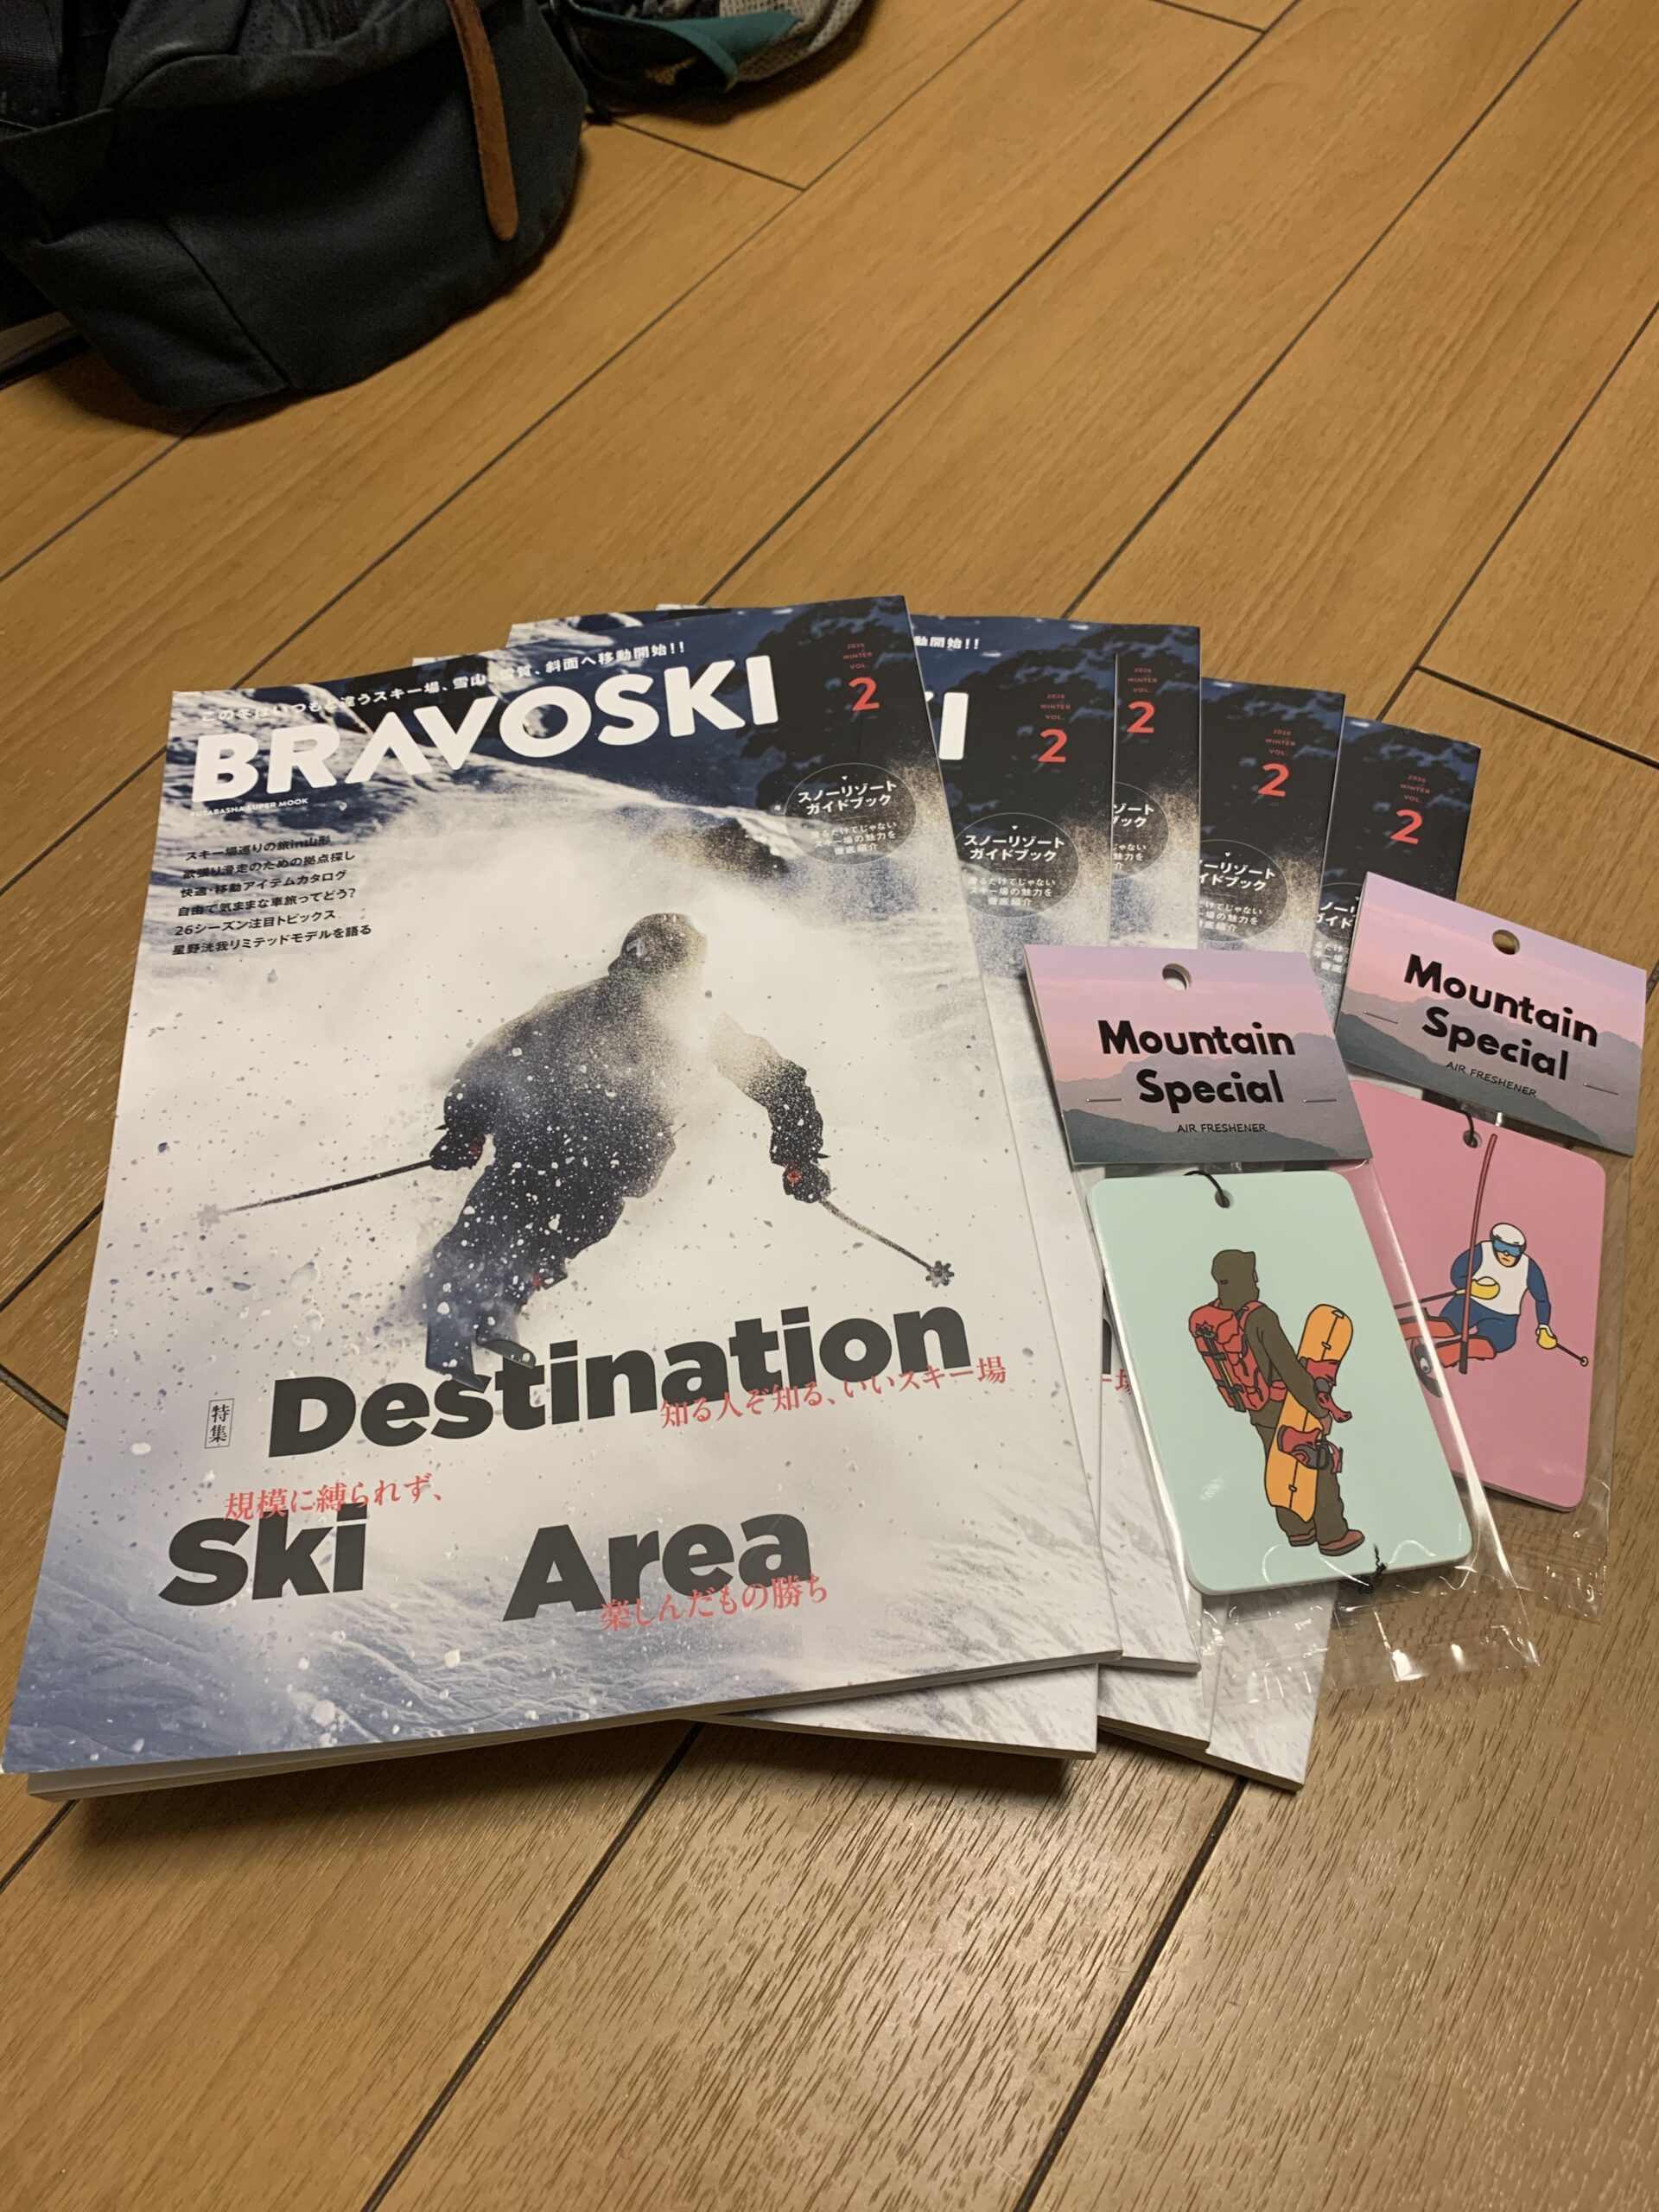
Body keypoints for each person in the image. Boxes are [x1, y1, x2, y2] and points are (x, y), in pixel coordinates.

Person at [420, 914, 829, 1380]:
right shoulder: (654, 1015)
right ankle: (473, 1292)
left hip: (589, 1151)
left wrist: (466, 1127)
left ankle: (490, 1298)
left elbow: (779, 1083)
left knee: (544, 1217)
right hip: (574, 1145)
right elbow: (498, 1056)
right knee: (535, 1210)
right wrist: (466, 1127)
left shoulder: (676, 1018)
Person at [1190, 1249, 1364, 1558]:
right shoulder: (1259, 1317)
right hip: (1287, 1404)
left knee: (1280, 1466)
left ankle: (1298, 1530)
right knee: (1317, 1463)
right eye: (1252, 1274)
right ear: (1246, 1278)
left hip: (1257, 1409)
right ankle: (1333, 1535)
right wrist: (1318, 1410)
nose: (1257, 1281)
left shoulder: (1209, 1318)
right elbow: (1290, 1370)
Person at [1437, 1221, 1554, 1360]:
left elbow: (1541, 1299)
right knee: (1447, 1326)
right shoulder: (1482, 1251)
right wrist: (1471, 1287)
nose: (1506, 1253)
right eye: (1501, 1247)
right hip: (1471, 1302)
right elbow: (1457, 1273)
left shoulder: (1528, 1266)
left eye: (1513, 1251)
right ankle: (1417, 1329)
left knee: (1498, 1342)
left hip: (1504, 1315)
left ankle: (1446, 1355)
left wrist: (1543, 1326)